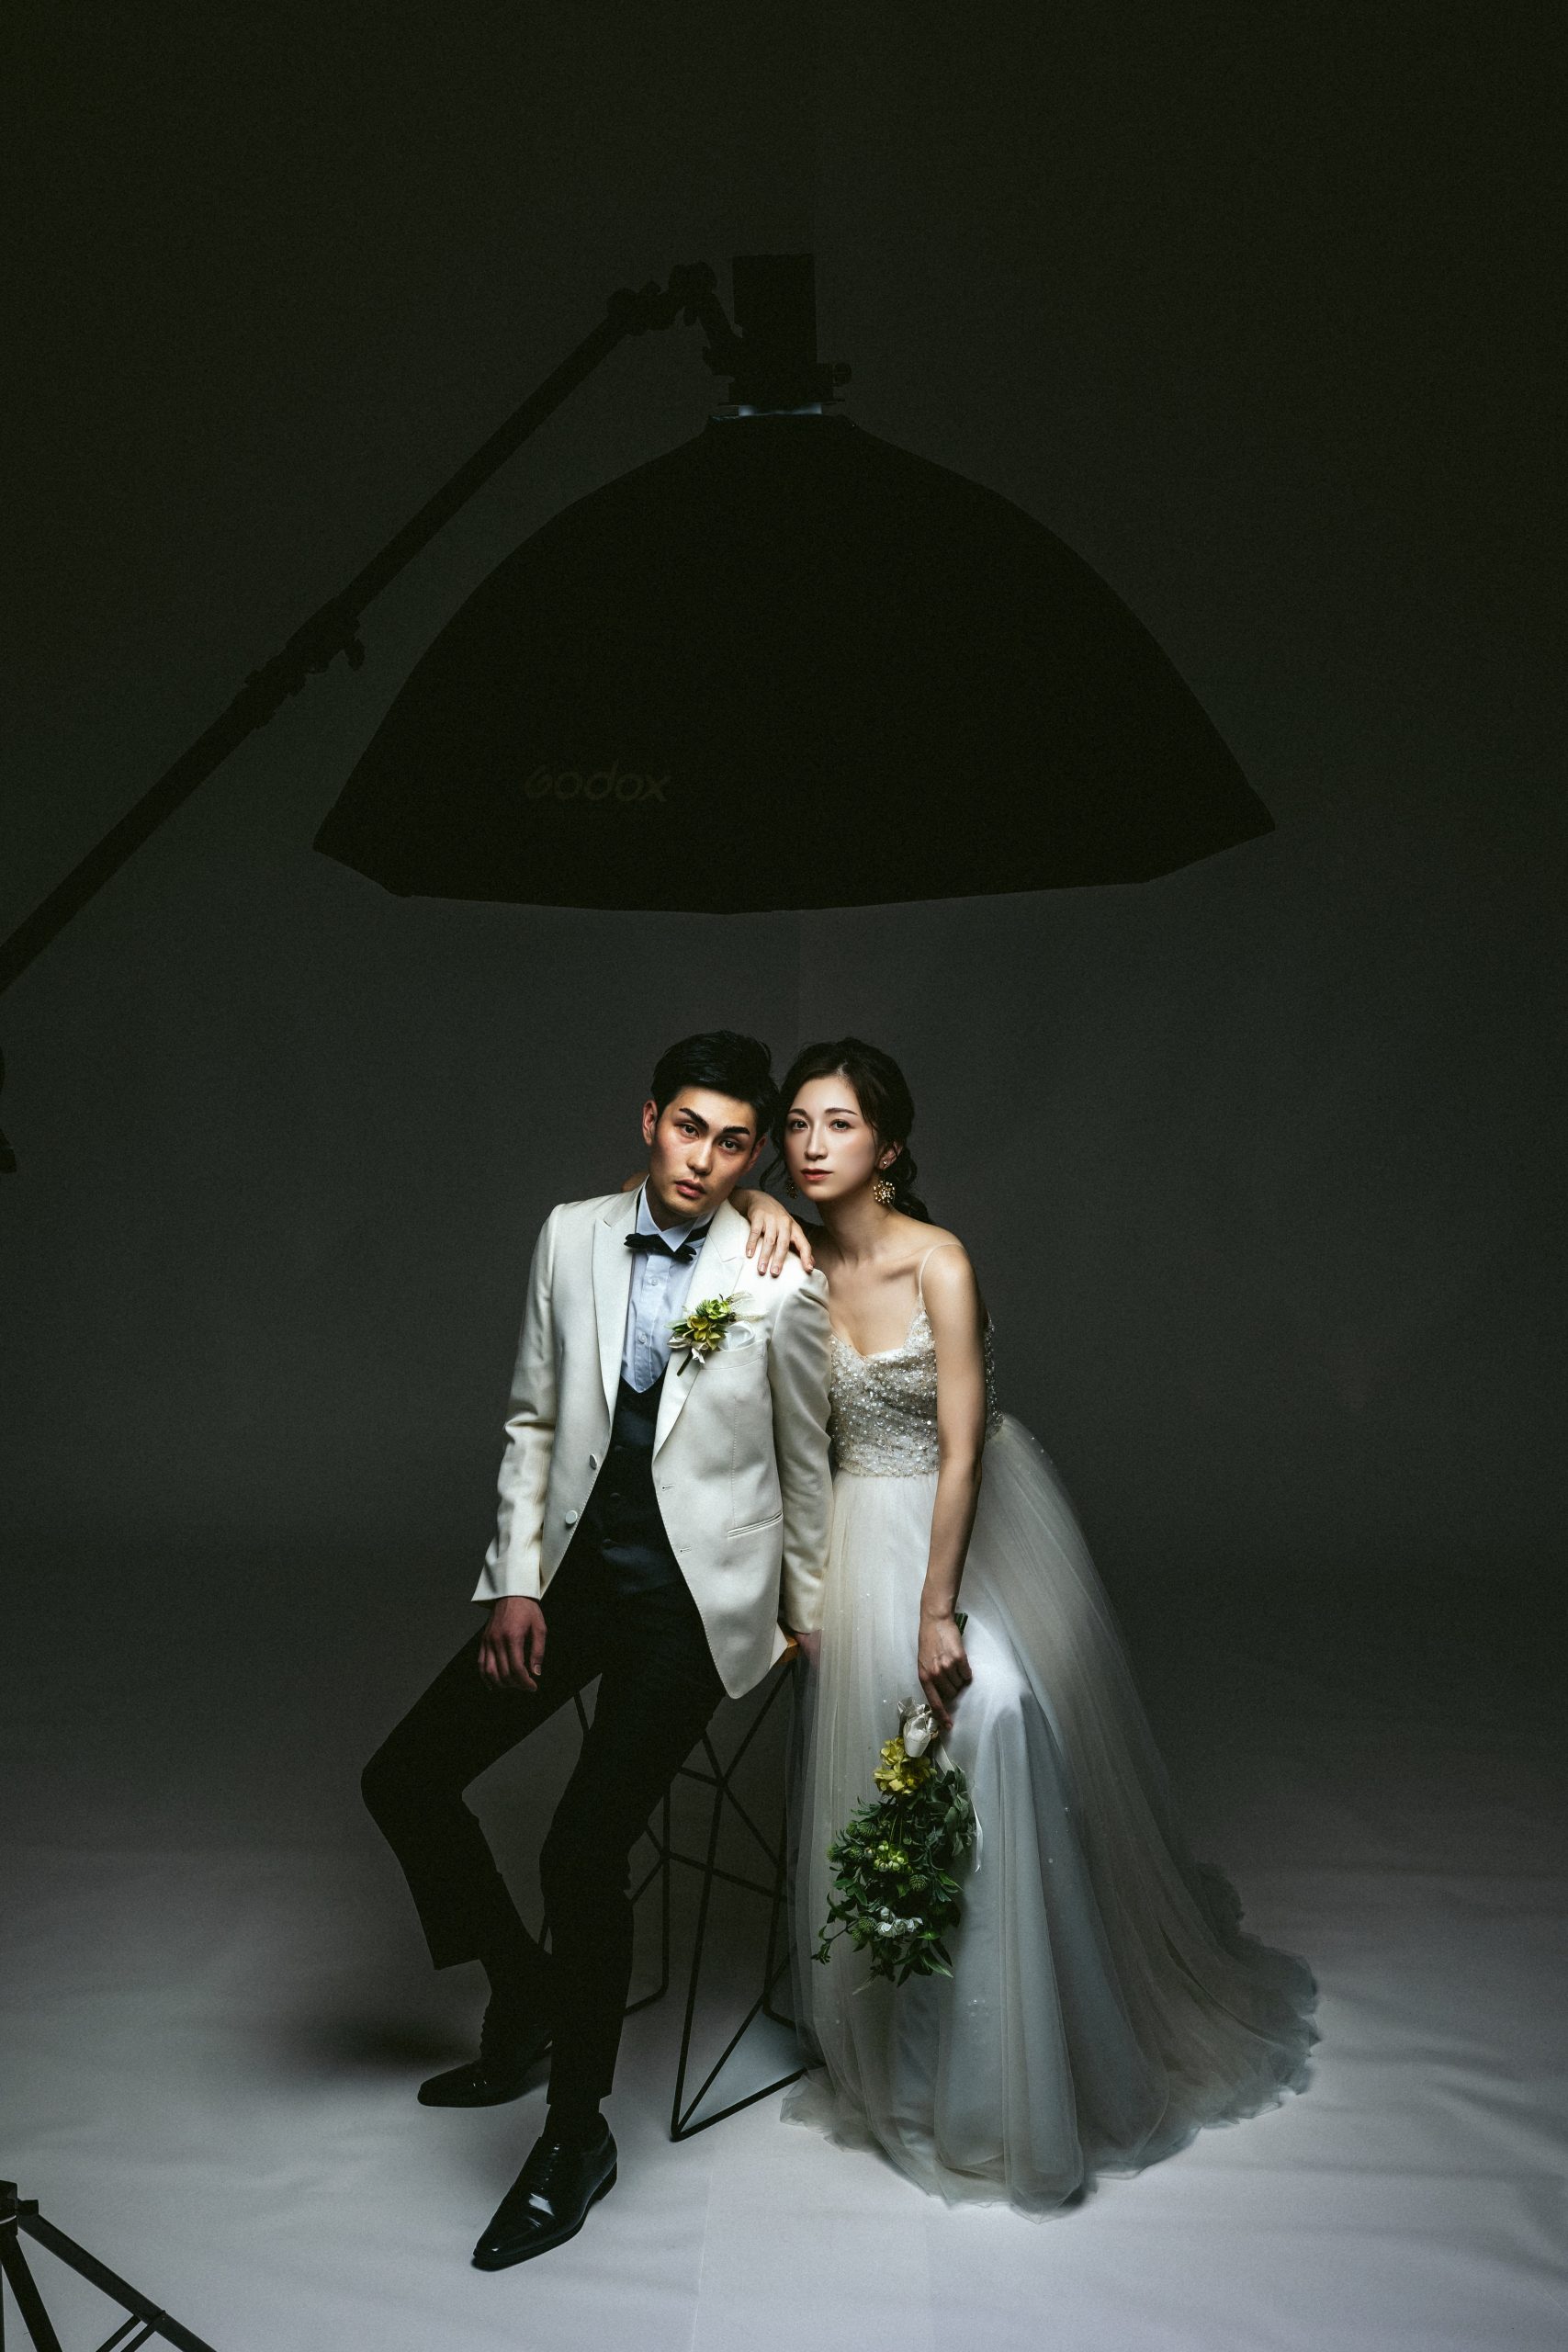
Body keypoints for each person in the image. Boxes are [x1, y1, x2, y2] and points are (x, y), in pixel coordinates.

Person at [733, 1037, 1317, 2214]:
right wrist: (749, 1197)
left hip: (957, 1528)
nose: (812, 1144)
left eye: (840, 1123)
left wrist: (936, 1609)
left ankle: (1026, 2064)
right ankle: (910, 2045)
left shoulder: (939, 1261)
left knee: (991, 1713)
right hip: (847, 1534)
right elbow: (673, 1206)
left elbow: (961, 1449)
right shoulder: (784, 1254)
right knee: (892, 1769)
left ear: (889, 1145)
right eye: (795, 1124)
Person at [360, 1031, 832, 2267]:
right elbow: (531, 1418)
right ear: (648, 1118)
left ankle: (575, 2135)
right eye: (689, 1127)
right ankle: (522, 1993)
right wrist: (517, 1583)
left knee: (579, 1847)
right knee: (403, 1778)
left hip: (693, 1604)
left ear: (754, 1156)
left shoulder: (777, 1272)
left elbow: (804, 1457)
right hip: (572, 1579)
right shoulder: (569, 1233)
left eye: (735, 1142)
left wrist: (801, 1613)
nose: (705, 1158)